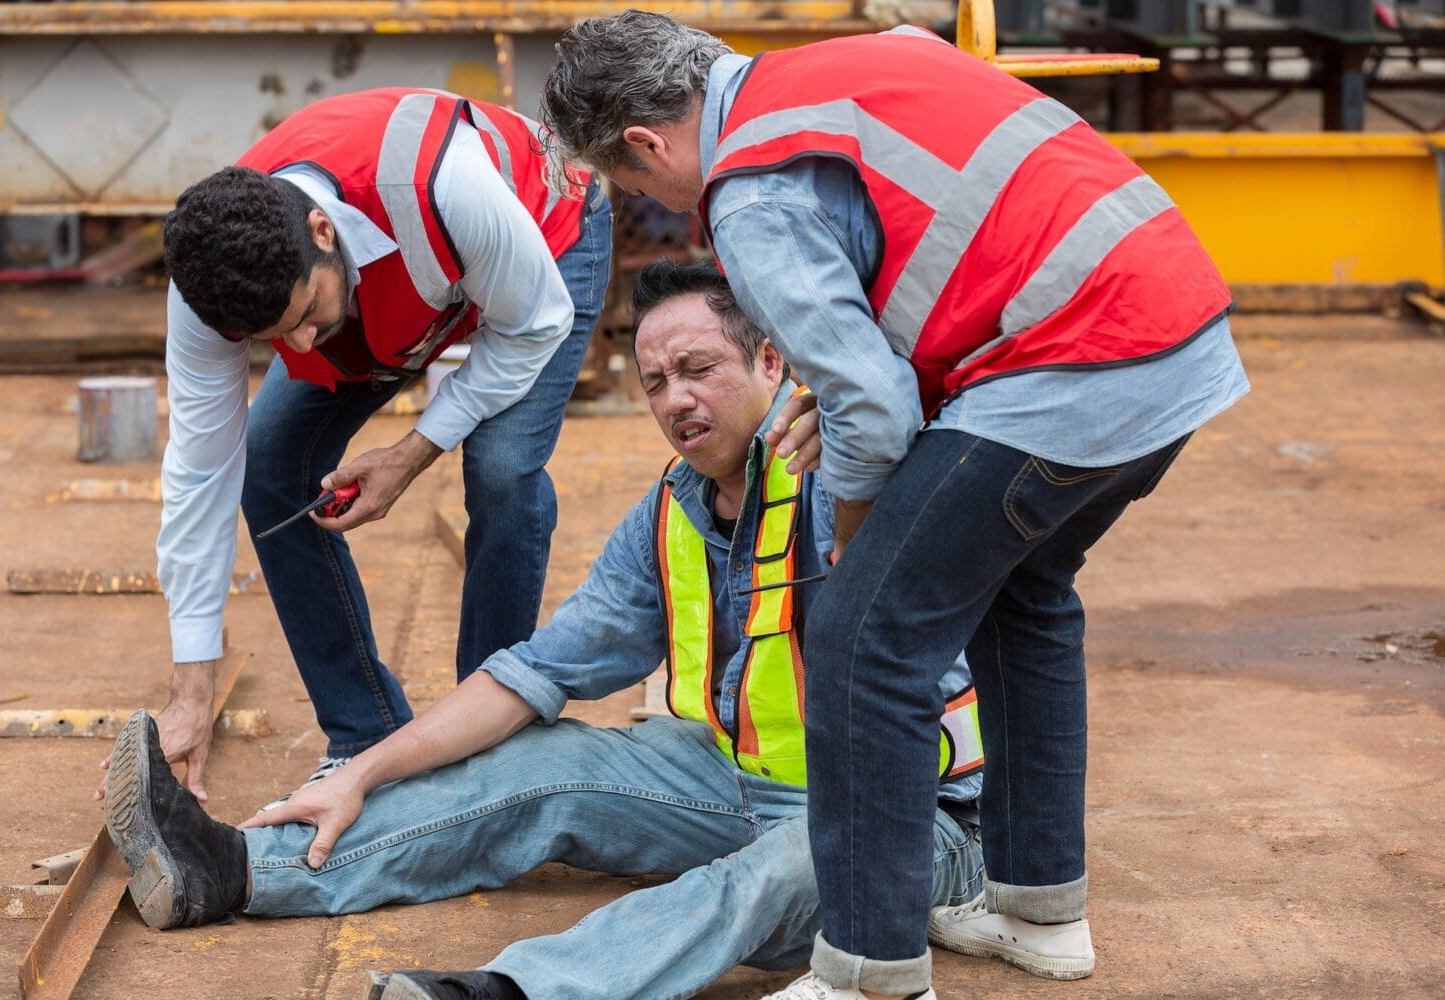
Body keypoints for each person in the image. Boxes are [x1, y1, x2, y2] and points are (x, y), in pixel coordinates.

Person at [539, 13, 1250, 1000]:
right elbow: (919, 271)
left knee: (864, 643)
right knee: (1025, 594)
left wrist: (861, 563)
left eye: (638, 187)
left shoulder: (751, 195)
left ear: (648, 145)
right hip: (1177, 343)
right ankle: (1039, 911)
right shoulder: (872, 54)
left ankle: (869, 972)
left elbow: (869, 407)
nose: (662, 203)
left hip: (1068, 364)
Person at [100, 260, 987, 1000]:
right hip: (734, 779)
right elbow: (535, 672)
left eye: (699, 367)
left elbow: (931, 418)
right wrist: (359, 771)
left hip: (912, 818)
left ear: (768, 360)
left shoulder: (848, 469)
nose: (677, 399)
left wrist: (859, 427)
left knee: (783, 869)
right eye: (655, 382)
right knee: (544, 760)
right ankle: (235, 869)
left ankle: (519, 991)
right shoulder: (671, 511)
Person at [118, 88, 612, 803]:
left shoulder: (447, 190)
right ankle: (365, 735)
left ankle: (489, 741)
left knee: (502, 470)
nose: (302, 348)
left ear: (321, 229)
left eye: (307, 316)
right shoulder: (211, 288)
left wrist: (411, 453)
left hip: (541, 248)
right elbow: (200, 474)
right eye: (274, 339)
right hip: (405, 278)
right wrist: (191, 690)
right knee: (270, 468)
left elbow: (534, 323)